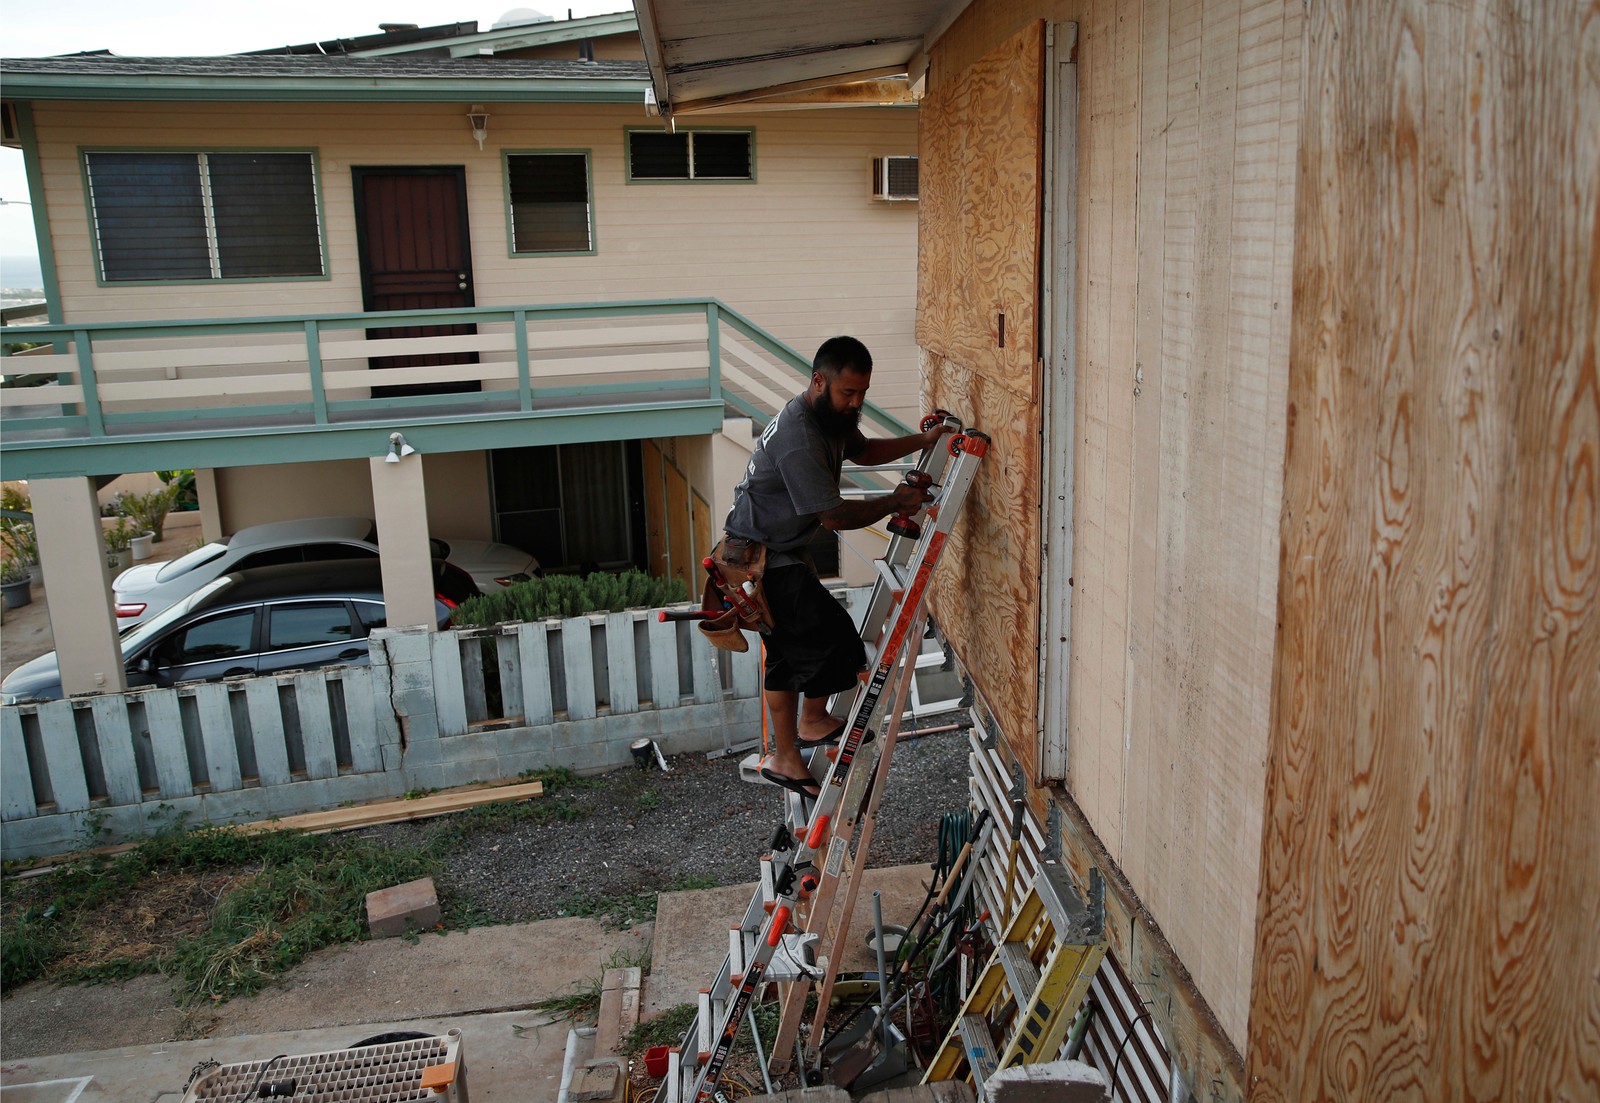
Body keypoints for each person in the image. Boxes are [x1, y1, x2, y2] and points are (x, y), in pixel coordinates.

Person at [724, 336, 952, 798]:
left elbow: (863, 451)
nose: (856, 402)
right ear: (818, 381)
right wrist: (894, 501)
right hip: (759, 559)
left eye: (862, 393)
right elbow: (834, 517)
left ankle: (785, 758)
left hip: (768, 553)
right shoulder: (799, 438)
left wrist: (922, 441)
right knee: (836, 638)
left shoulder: (830, 417)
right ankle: (811, 723)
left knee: (787, 657)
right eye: (848, 393)